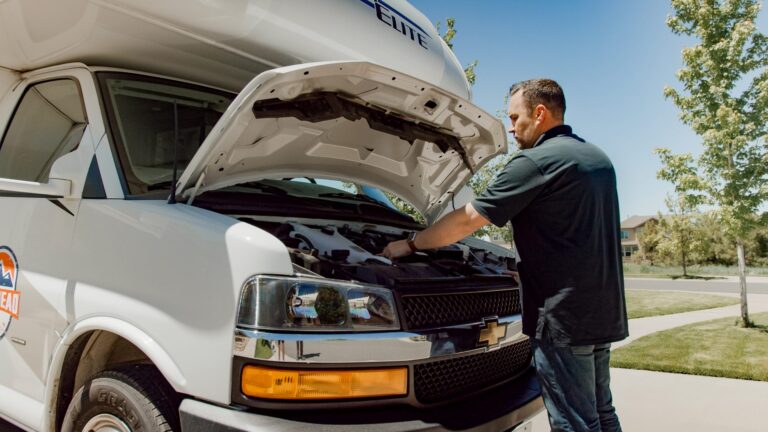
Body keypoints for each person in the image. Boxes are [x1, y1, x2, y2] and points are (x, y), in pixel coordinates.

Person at [382, 79, 627, 432]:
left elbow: (466, 221)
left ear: (540, 113)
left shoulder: (536, 162)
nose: (510, 127)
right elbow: (574, 238)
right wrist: (525, 271)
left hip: (563, 321)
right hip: (601, 311)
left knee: (574, 423)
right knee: (602, 413)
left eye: (515, 117)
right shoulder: (597, 159)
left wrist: (411, 244)